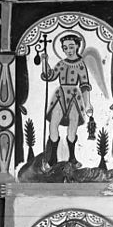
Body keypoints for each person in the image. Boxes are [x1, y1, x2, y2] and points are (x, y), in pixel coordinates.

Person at [41, 34, 93, 167]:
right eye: (65, 48)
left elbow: (85, 85)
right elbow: (50, 76)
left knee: (73, 126)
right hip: (60, 95)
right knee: (53, 124)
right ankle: (53, 158)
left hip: (74, 97)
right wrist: (44, 62)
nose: (68, 50)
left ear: (77, 46)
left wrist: (88, 104)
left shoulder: (81, 65)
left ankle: (72, 158)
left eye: (71, 47)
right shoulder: (61, 63)